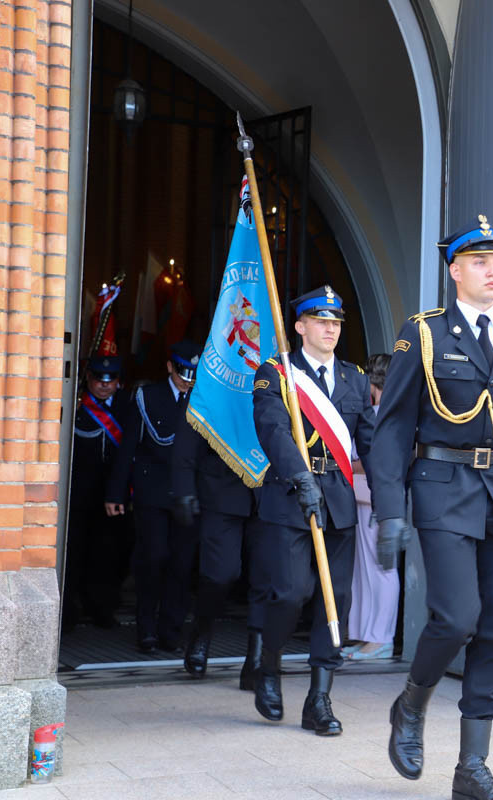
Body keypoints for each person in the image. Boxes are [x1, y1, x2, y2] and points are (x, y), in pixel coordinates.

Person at [372, 215, 493, 800]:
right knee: (458, 618)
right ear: (454, 270)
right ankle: (411, 704)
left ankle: (472, 768)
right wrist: (390, 508)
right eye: (480, 262)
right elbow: (392, 427)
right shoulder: (424, 334)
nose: (492, 271)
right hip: (443, 487)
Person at [250, 285, 375, 736]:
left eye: (336, 322)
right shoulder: (277, 373)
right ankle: (267, 664)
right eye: (321, 321)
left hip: (338, 499)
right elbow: (273, 429)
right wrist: (300, 477)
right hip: (289, 496)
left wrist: (389, 497)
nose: (330, 329)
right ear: (300, 327)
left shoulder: (355, 378)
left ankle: (319, 699)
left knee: (334, 600)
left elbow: (370, 441)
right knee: (289, 592)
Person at [105, 340, 201, 653]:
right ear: (170, 367)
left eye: (193, 374)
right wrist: (116, 492)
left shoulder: (203, 398)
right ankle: (146, 629)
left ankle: (171, 631)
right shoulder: (148, 396)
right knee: (154, 558)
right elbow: (128, 447)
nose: (187, 380)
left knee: (181, 564)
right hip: (153, 492)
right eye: (182, 372)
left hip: (189, 493)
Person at [172, 411, 266, 688]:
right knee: (220, 574)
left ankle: (257, 659)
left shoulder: (282, 383)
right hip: (221, 489)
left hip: (269, 493)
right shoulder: (216, 383)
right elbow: (189, 434)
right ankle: (201, 632)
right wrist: (183, 488)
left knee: (267, 578)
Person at [64, 355, 132, 631]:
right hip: (79, 493)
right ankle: (68, 611)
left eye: (110, 380)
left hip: (113, 494)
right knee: (74, 553)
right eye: (99, 379)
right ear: (89, 379)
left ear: (118, 381)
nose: (104, 385)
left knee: (108, 555)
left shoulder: (128, 405)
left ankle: (102, 608)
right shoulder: (75, 404)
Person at [344, 353, 399, 660]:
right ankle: (367, 634)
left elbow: (373, 461)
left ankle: (380, 638)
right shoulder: (383, 412)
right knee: (365, 570)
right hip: (365, 497)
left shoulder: (382, 414)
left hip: (375, 497)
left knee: (380, 568)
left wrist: (345, 464)